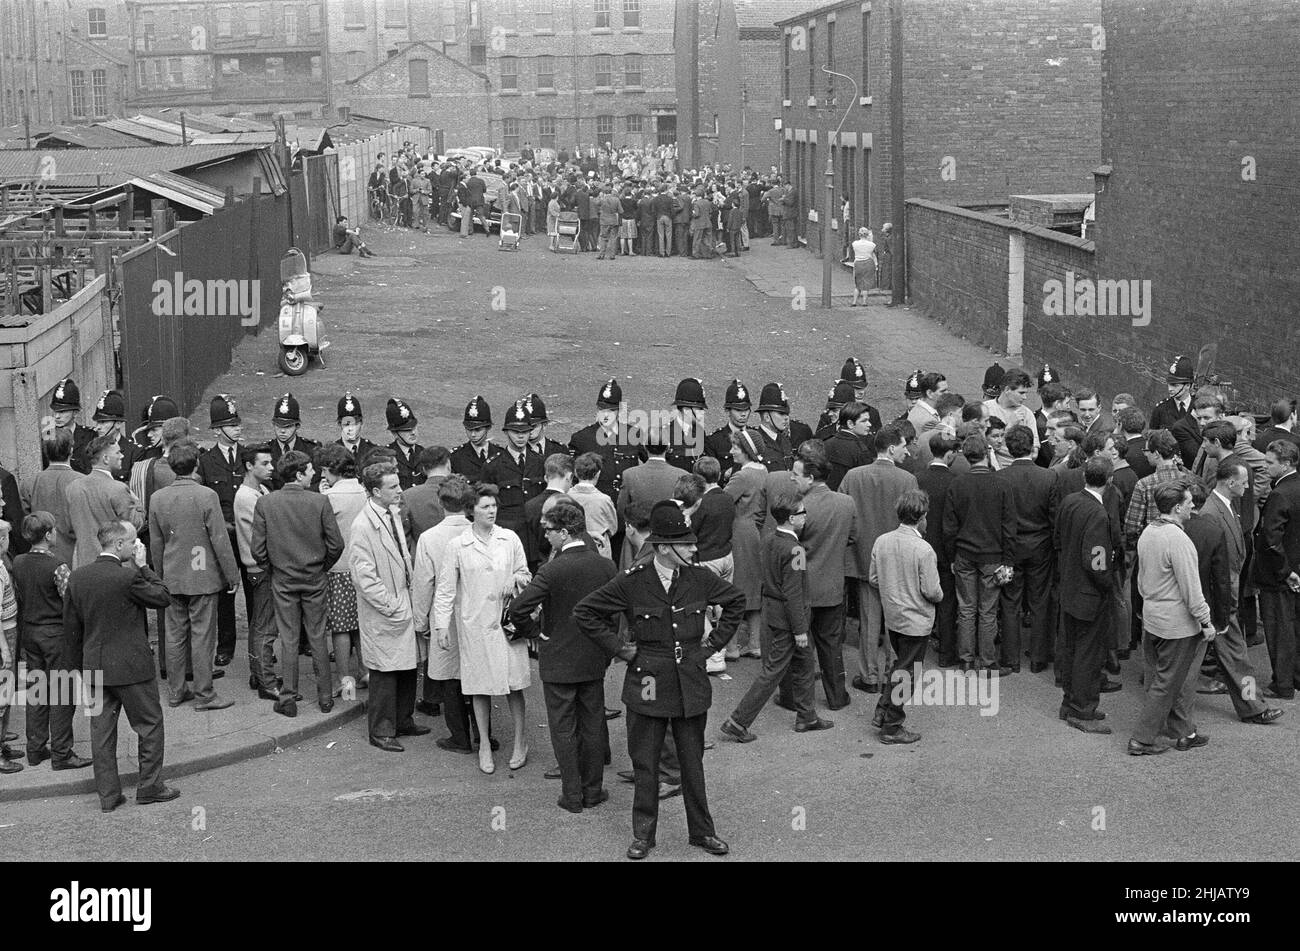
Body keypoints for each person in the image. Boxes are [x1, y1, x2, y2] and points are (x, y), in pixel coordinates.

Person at [574, 500, 744, 860]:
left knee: (692, 765)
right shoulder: (633, 582)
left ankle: (703, 833)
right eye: (686, 543)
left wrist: (712, 645)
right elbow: (585, 612)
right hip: (647, 680)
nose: (694, 548)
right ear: (664, 547)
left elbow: (736, 601)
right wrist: (622, 650)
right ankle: (643, 836)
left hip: (690, 682)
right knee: (646, 764)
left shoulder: (698, 577)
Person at [508, 501, 618, 812]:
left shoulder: (551, 570)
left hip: (558, 658)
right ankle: (593, 791)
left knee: (563, 727)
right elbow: (614, 613)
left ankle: (572, 795)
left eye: (549, 531)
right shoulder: (605, 566)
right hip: (593, 655)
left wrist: (534, 632)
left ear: (565, 532)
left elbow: (518, 609)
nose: (546, 537)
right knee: (594, 724)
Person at [64, 520, 178, 812]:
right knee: (149, 725)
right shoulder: (128, 578)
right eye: (131, 542)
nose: (135, 546)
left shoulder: (77, 578)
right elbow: (163, 597)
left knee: (101, 733)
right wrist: (144, 566)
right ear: (117, 544)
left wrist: (77, 669)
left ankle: (108, 795)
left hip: (95, 666)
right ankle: (150, 786)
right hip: (132, 667)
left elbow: (72, 630)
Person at [432, 484, 532, 775]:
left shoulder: (509, 538)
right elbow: (445, 590)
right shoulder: (457, 546)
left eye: (493, 506)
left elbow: (526, 573)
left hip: (507, 625)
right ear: (471, 510)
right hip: (474, 625)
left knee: (514, 685)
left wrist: (514, 578)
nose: (491, 511)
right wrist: (441, 627)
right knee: (479, 687)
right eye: (485, 507)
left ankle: (520, 741)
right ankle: (485, 745)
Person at [720, 491, 832, 741]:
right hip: (790, 619)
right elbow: (793, 594)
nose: (805, 517)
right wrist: (800, 630)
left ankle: (807, 716)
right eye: (802, 513)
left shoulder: (770, 540)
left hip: (773, 611)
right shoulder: (795, 550)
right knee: (773, 672)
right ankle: (738, 721)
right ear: (792, 518)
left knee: (804, 663)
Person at [148, 441, 240, 711]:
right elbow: (220, 540)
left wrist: (159, 575)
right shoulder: (206, 495)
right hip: (202, 576)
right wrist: (231, 575)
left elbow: (156, 542)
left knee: (175, 636)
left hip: (172, 576)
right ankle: (205, 694)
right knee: (202, 636)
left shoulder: (158, 498)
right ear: (196, 465)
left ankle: (176, 692)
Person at [1188, 466, 1282, 724]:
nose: (1248, 487)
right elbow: (1218, 564)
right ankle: (1254, 706)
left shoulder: (1223, 507)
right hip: (1220, 600)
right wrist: (1227, 603)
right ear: (1230, 482)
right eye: (1243, 482)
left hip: (1221, 597)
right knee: (1237, 658)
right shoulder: (1212, 513)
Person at [252, 450, 344, 714]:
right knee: (317, 637)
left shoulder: (266, 503)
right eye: (310, 470)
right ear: (300, 474)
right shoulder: (320, 502)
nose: (314, 473)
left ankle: (288, 698)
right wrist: (320, 567)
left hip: (283, 580)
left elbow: (257, 550)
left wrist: (275, 569)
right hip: (314, 579)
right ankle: (325, 697)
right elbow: (336, 544)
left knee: (288, 638)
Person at [1130, 481, 1215, 754]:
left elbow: (1141, 580)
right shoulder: (1179, 539)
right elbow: (1192, 590)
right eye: (1189, 502)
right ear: (1177, 507)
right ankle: (1141, 739)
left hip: (1152, 618)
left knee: (1164, 680)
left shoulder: (1148, 532)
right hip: (1176, 626)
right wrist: (1206, 621)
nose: (1193, 506)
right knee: (1167, 685)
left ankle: (1183, 733)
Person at [349, 462, 423, 752]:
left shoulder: (391, 513)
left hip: (401, 602)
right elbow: (363, 577)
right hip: (385, 608)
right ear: (376, 491)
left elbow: (403, 557)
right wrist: (390, 605)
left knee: (406, 667)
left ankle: (403, 720)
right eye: (393, 486)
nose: (400, 490)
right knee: (383, 672)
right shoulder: (363, 526)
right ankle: (380, 730)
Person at [12, 512, 91, 771]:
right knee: (63, 694)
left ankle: (35, 749)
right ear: (47, 534)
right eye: (54, 530)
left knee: (36, 692)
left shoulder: (19, 562)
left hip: (30, 633)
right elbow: (71, 601)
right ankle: (62, 752)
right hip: (55, 635)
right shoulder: (58, 566)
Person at [841, 426, 917, 691]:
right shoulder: (907, 479)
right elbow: (919, 520)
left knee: (869, 618)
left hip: (863, 556)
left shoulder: (853, 476)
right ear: (892, 447)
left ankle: (869, 675)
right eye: (904, 445)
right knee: (895, 620)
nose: (906, 450)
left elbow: (844, 516)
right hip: (897, 558)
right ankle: (892, 672)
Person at [870, 490, 945, 744]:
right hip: (916, 620)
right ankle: (892, 725)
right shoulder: (924, 550)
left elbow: (873, 578)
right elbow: (932, 590)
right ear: (921, 516)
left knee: (898, 665)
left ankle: (882, 709)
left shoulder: (882, 541)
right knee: (908, 673)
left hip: (893, 617)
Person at [786, 442, 855, 709]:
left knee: (801, 647)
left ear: (811, 478)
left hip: (803, 587)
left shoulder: (799, 506)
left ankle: (795, 699)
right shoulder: (846, 503)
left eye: (796, 474)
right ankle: (837, 696)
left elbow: (790, 545)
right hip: (833, 586)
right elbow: (853, 537)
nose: (792, 478)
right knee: (831, 646)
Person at [943, 433, 1017, 674]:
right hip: (993, 556)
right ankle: (986, 661)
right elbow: (1009, 526)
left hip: (964, 553)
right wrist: (1008, 560)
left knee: (966, 608)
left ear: (965, 454)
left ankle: (965, 658)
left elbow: (949, 526)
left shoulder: (957, 483)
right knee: (988, 610)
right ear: (987, 453)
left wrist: (952, 555)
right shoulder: (1002, 483)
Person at [1055, 457, 1117, 731]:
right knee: (1088, 654)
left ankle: (1070, 702)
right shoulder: (1098, 514)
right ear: (1110, 480)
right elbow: (1097, 561)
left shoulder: (1069, 501)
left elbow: (1058, 539)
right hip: (1089, 593)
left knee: (1071, 649)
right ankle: (1083, 710)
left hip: (1068, 585)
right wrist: (1107, 584)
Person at [233, 444, 292, 713]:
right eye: (265, 463)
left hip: (258, 566)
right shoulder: (249, 497)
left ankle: (259, 674)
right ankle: (267, 681)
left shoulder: (260, 491)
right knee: (265, 627)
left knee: (260, 624)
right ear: (249, 466)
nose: (271, 468)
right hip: (261, 567)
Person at [996, 424, 1058, 673]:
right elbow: (1054, 517)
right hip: (1040, 545)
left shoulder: (1000, 478)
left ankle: (1010, 659)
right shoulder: (1048, 476)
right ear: (1032, 445)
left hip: (1010, 546)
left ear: (1009, 449)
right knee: (1040, 601)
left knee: (1010, 602)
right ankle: (1038, 658)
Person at [318, 444, 367, 697]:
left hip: (339, 570)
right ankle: (366, 672)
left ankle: (345, 685)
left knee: (341, 629)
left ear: (330, 469)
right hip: (364, 569)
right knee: (360, 625)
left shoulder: (330, 498)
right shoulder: (364, 491)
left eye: (324, 470)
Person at [1254, 439, 1300, 700]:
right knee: (1295, 628)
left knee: (1279, 629)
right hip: (1296, 567)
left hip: (1278, 575)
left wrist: (1284, 571)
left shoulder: (1279, 494)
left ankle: (1281, 684)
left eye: (1270, 462)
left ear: (1285, 464)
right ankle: (1295, 677)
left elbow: (1270, 539)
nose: (1265, 465)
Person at [64, 434, 142, 570]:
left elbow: (69, 527)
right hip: (115, 567)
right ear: (105, 458)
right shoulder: (118, 488)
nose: (122, 456)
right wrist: (138, 503)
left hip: (83, 565)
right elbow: (134, 525)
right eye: (118, 452)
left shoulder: (72, 487)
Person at [27, 429, 81, 565]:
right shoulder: (83, 482)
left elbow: (26, 522)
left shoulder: (29, 483)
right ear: (71, 450)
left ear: (45, 451)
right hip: (75, 557)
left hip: (39, 559)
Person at [569, 452, 617, 561]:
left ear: (576, 473)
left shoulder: (566, 496)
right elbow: (612, 528)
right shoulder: (604, 499)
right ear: (598, 473)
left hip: (573, 550)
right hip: (599, 550)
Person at [401, 446, 451, 551]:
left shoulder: (407, 496)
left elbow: (404, 540)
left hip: (424, 559)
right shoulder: (465, 491)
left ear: (423, 469)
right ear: (448, 464)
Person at [449, 396, 502, 483]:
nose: (473, 435)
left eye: (478, 430)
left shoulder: (500, 455)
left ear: (488, 428)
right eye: (469, 429)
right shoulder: (455, 457)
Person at [385, 398, 425, 491]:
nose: (413, 433)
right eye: (407, 430)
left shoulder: (424, 453)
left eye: (414, 427)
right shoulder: (386, 456)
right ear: (394, 434)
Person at [849, 228, 877, 306]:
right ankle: (864, 302)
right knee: (866, 283)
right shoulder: (872, 245)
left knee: (858, 283)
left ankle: (854, 302)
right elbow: (873, 254)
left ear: (859, 234)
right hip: (868, 263)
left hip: (858, 263)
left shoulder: (855, 243)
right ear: (867, 235)